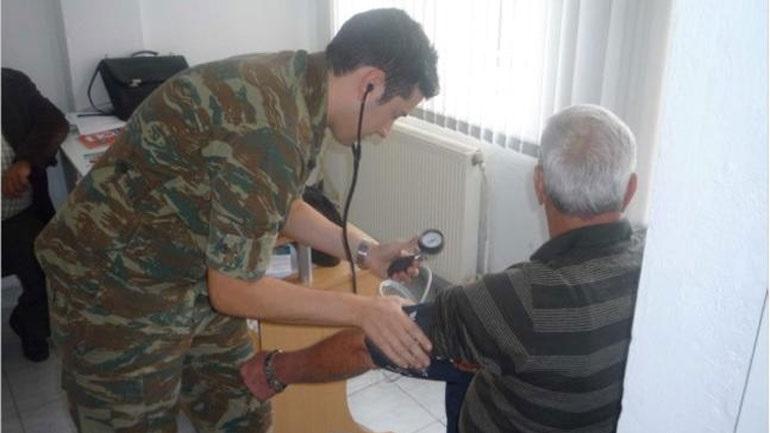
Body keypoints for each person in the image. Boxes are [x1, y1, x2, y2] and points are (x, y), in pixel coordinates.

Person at [34, 8, 439, 433]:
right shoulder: (272, 125)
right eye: (396, 113)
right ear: (370, 82)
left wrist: (367, 252)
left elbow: (283, 205)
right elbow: (233, 290)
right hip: (111, 285)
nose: (386, 131)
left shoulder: (303, 88)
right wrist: (364, 311)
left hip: (187, 273)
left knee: (240, 412)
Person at [240, 104, 646, 433]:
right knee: (461, 360)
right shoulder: (655, 270)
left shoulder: (516, 301)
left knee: (445, 354)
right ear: (630, 189)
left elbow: (367, 345)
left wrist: (276, 369)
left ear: (540, 184)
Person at [2, 67, 69, 362]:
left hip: (16, 217)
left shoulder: (10, 84)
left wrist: (26, 160)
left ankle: (29, 324)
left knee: (50, 265)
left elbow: (54, 121)